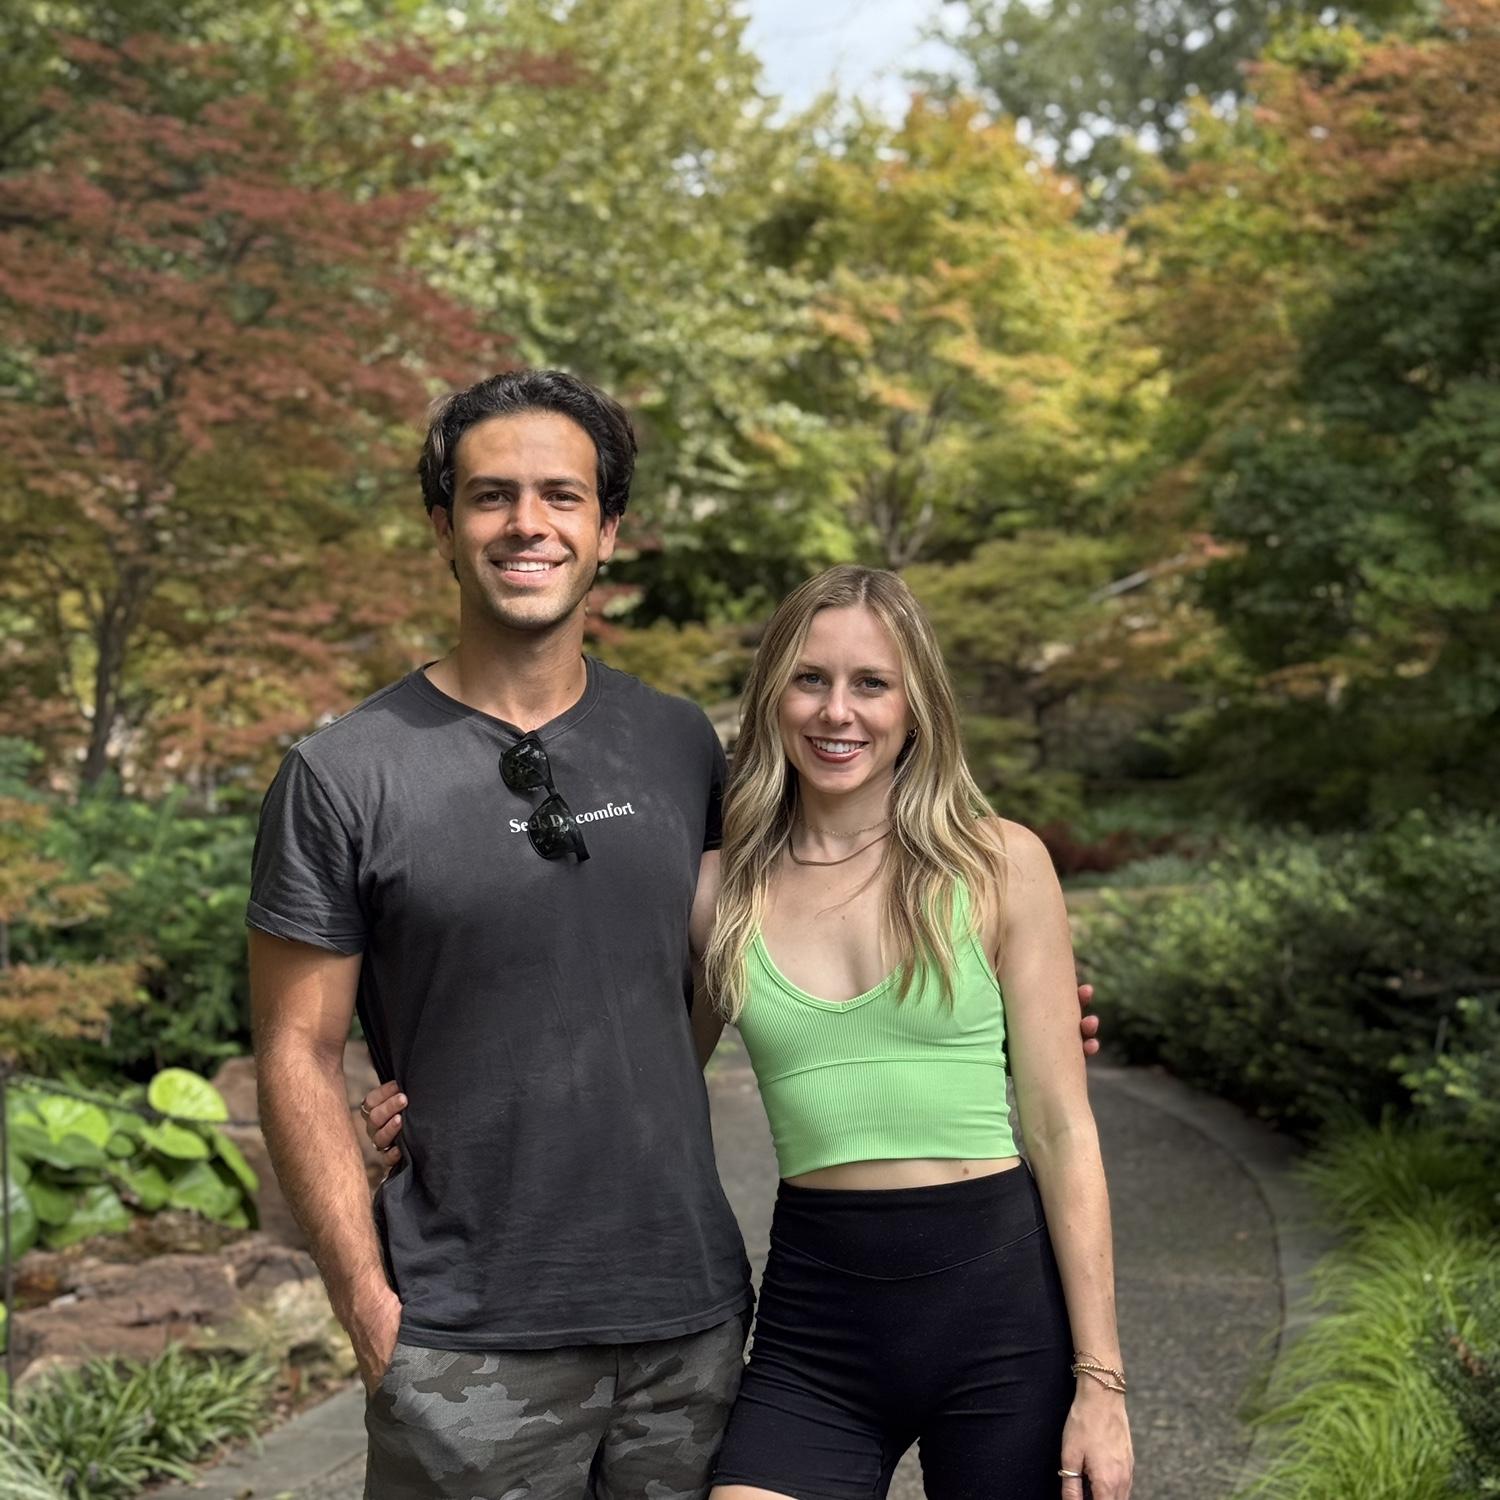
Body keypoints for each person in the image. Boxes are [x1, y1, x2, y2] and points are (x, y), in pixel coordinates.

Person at [252, 367, 1102, 1500]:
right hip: (465, 1340)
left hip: (689, 1334)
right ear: (442, 526)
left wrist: (1013, 1004)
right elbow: (295, 1048)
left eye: (562, 495)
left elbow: (758, 943)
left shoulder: (678, 747)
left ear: (607, 531)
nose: (528, 523)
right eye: (491, 494)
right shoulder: (343, 773)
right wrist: (365, 1299)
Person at [367, 567, 1131, 1496]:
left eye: (872, 683)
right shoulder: (717, 894)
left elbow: (1062, 1129)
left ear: (917, 704)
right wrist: (425, 1113)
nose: (838, 712)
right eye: (811, 679)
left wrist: (1101, 1381)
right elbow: (634, 1061)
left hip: (1001, 1312)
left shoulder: (999, 864)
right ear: (773, 694)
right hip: (820, 1322)